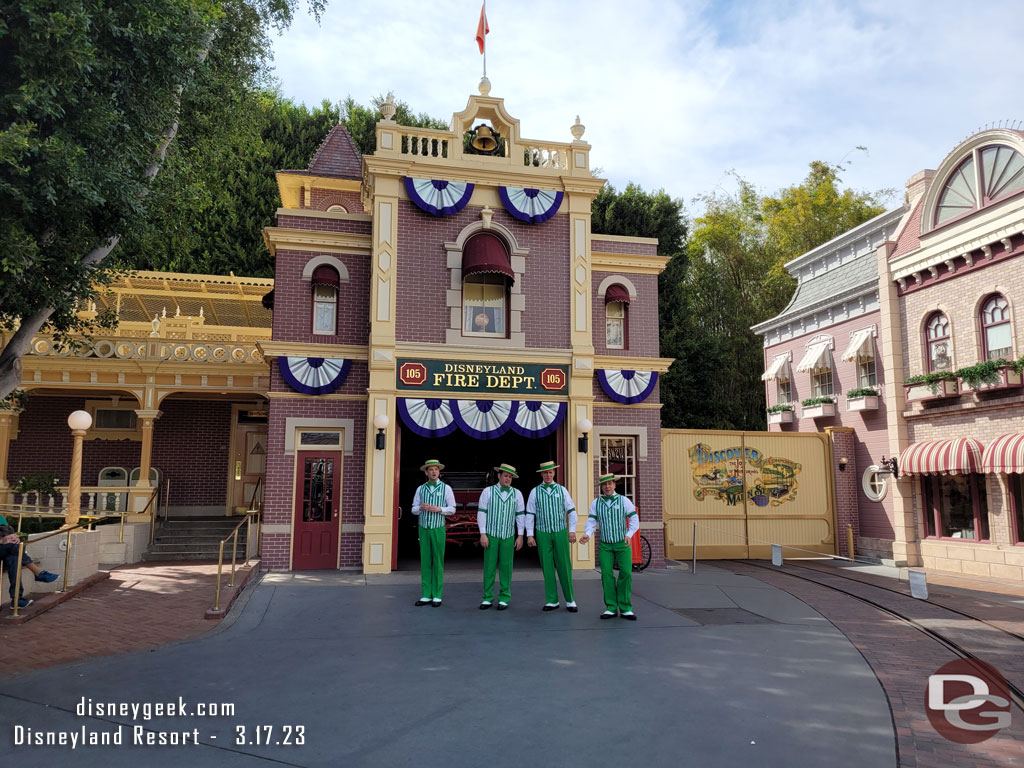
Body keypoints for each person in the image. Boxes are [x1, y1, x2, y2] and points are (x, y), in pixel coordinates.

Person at [579, 473, 639, 620]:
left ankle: (625, 607)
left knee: (626, 573)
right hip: (605, 545)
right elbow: (591, 521)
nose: (607, 486)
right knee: (606, 575)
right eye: (604, 484)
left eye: (610, 483)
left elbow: (634, 518)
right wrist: (588, 534)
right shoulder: (596, 503)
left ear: (614, 485)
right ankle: (611, 607)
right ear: (601, 487)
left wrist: (629, 534)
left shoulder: (624, 500)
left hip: (622, 543)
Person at [525, 460, 578, 612]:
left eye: (550, 472)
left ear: (554, 473)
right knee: (547, 566)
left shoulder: (562, 490)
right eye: (545, 473)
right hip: (542, 532)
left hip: (560, 531)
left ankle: (570, 600)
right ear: (541, 474)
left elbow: (571, 511)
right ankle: (552, 600)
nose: (548, 475)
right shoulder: (535, 491)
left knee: (564, 565)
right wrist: (530, 535)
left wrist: (572, 530)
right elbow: (530, 514)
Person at [477, 463, 526, 611]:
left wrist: (520, 536)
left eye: (510, 477)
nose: (508, 479)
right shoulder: (488, 492)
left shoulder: (517, 493)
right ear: (499, 476)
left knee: (506, 567)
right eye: (505, 476)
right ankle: (487, 597)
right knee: (489, 567)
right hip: (491, 535)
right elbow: (482, 513)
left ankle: (504, 597)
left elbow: (520, 516)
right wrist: (483, 534)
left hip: (508, 535)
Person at [410, 459, 456, 607]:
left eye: (436, 469)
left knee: (437, 561)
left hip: (438, 528)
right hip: (423, 527)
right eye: (431, 470)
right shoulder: (420, 489)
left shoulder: (446, 488)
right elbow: (413, 509)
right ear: (426, 472)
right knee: (425, 561)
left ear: (439, 472)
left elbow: (453, 508)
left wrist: (439, 509)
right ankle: (426, 594)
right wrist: (421, 508)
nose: (434, 472)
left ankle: (437, 595)